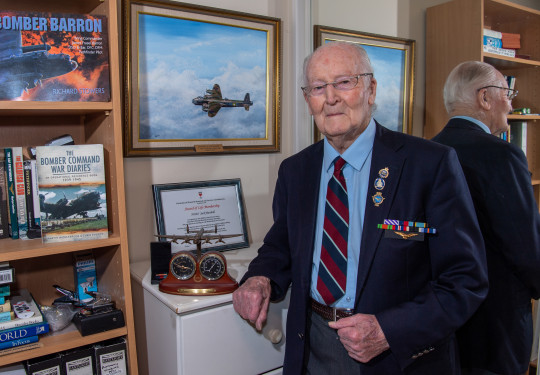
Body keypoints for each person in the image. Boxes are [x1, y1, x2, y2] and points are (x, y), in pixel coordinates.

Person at [233, 42, 488, 375]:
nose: (331, 98)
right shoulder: (295, 172)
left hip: (396, 357)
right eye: (318, 87)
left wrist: (389, 331)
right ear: (308, 99)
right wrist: (258, 278)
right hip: (312, 346)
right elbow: (281, 246)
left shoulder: (429, 164)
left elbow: (465, 280)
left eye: (344, 82)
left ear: (371, 89)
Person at [432, 61, 540, 375]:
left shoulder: (427, 150)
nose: (512, 103)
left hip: (442, 318)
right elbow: (524, 248)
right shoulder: (502, 155)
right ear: (484, 98)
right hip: (496, 322)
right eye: (508, 93)